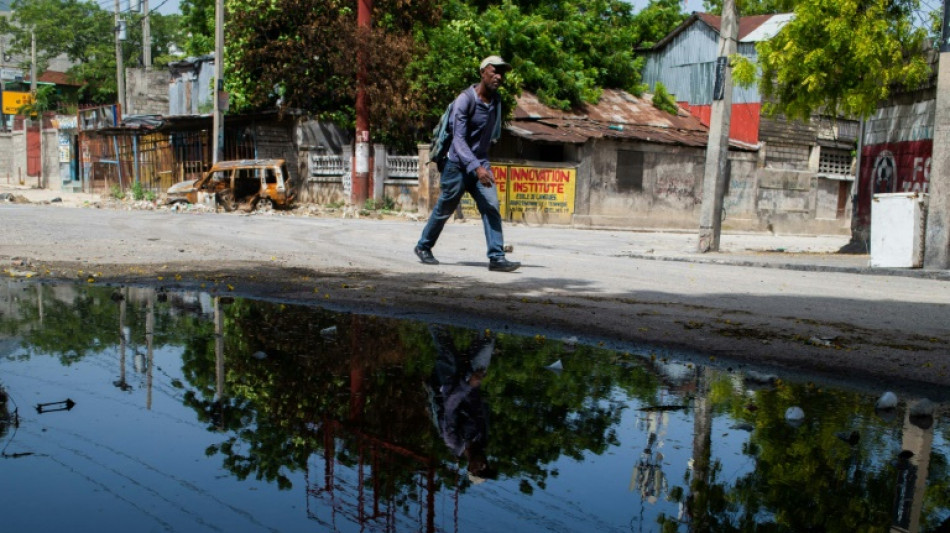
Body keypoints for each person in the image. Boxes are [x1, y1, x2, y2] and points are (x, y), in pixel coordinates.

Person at [414, 56, 521, 272]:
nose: (499, 77)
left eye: (502, 73)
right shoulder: (465, 100)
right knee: (446, 208)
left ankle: (497, 257)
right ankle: (423, 246)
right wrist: (477, 167)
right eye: (494, 71)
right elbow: (459, 140)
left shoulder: (496, 101)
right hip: (457, 165)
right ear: (483, 72)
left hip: (480, 163)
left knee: (491, 206)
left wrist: (482, 165)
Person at [426, 325, 495, 481]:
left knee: (441, 336)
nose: (484, 464)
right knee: (488, 340)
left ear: (470, 467)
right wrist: (474, 383)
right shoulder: (482, 438)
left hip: (449, 383)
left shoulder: (453, 441)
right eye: (487, 466)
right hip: (472, 380)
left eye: (480, 469)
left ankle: (427, 308)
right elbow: (483, 407)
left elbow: (450, 405)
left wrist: (468, 384)